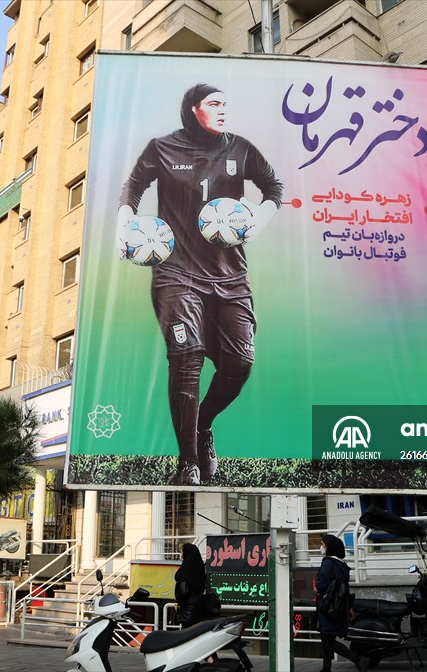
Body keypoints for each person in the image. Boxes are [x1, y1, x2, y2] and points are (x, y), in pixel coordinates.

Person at [118, 83, 283, 486]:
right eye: (214, 103)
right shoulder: (161, 148)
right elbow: (133, 187)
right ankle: (188, 461)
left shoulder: (241, 148)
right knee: (186, 355)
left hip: (230, 275)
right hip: (177, 272)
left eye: (226, 103)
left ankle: (203, 425)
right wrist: (126, 222)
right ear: (194, 109)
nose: (223, 109)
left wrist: (259, 218)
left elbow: (274, 188)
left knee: (240, 364)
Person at [316, 534, 362, 671]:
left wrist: (316, 586)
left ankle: (357, 658)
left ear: (329, 547)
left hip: (327, 606)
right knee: (327, 637)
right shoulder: (342, 565)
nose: (321, 547)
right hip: (338, 606)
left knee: (327, 640)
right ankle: (326, 668)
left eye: (323, 544)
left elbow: (322, 584)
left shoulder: (328, 562)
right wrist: (349, 607)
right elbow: (345, 588)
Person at [174, 543, 207, 629]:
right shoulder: (200, 570)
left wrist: (180, 603)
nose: (181, 556)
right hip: (200, 612)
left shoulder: (185, 572)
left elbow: (182, 594)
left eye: (182, 553)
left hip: (187, 614)